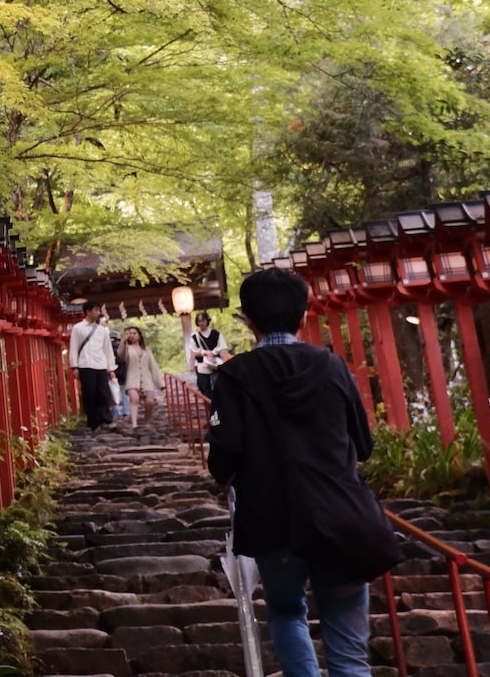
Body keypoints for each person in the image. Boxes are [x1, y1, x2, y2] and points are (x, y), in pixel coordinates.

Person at [206, 268, 388, 677]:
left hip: (274, 519)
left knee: (287, 612)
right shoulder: (332, 366)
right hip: (341, 517)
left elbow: (224, 457)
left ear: (246, 320)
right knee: (349, 653)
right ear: (303, 315)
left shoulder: (234, 376)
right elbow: (363, 445)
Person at [67, 310, 117, 429]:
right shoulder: (78, 328)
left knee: (103, 393)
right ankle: (93, 421)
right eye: (95, 310)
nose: (98, 312)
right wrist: (74, 366)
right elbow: (73, 347)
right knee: (89, 394)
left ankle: (106, 419)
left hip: (101, 365)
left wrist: (111, 368)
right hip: (85, 365)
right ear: (88, 312)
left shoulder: (103, 330)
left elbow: (108, 350)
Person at [118, 326, 164, 428]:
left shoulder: (146, 349)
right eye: (130, 334)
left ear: (139, 335)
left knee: (150, 402)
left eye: (134, 333)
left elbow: (153, 366)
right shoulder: (127, 349)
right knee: (134, 398)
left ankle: (147, 422)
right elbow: (120, 355)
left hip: (146, 381)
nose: (132, 336)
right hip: (131, 379)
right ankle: (134, 423)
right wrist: (123, 341)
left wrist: (160, 383)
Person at [187, 312, 231, 397]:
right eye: (199, 321)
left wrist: (225, 364)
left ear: (207, 320)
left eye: (203, 320)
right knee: (204, 389)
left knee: (219, 388)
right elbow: (193, 352)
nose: (201, 323)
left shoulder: (216, 334)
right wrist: (192, 365)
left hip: (216, 365)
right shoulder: (194, 337)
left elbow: (222, 349)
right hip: (202, 366)